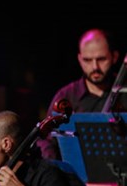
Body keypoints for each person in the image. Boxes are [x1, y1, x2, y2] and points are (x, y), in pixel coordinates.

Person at [40, 29, 126, 161]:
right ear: (79, 59)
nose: (95, 67)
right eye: (87, 60)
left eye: (101, 59)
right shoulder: (66, 96)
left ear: (114, 56)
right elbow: (47, 141)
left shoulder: (124, 92)